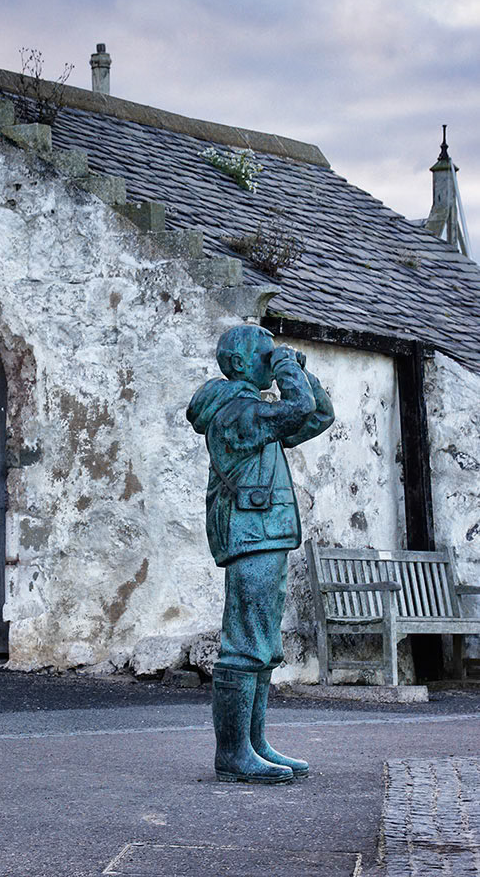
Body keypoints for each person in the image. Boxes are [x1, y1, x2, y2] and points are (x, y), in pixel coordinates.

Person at [187, 324, 334, 783]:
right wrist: (288, 368)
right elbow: (298, 409)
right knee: (245, 641)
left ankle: (254, 743)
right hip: (250, 534)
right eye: (264, 354)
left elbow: (317, 415)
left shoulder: (253, 410)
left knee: (263, 644)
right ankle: (232, 753)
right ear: (238, 363)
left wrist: (300, 373)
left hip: (265, 532)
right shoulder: (237, 413)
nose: (272, 359)